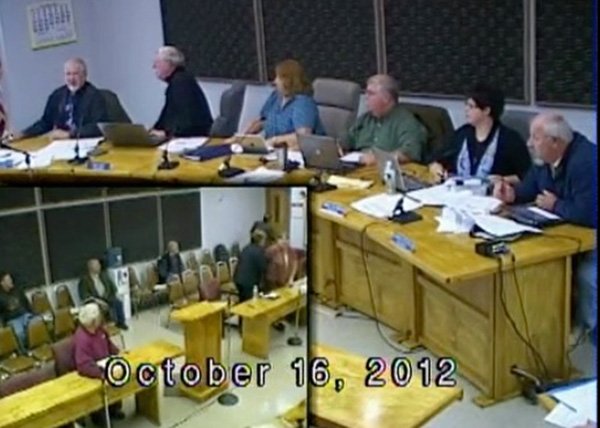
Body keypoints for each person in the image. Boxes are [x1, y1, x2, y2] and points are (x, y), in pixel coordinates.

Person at [493, 113, 597, 342]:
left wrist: (556, 205)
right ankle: (545, 326)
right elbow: (530, 187)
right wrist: (512, 195)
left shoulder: (586, 161)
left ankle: (589, 333)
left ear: (555, 142)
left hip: (590, 236)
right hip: (565, 233)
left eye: (535, 138)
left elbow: (590, 214)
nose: (529, 143)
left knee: (587, 275)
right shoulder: (545, 161)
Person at [429, 83, 531, 184]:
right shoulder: (462, 134)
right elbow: (436, 158)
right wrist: (436, 167)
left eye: (471, 106)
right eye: (466, 105)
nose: (466, 110)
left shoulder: (510, 139)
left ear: (486, 110)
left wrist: (503, 180)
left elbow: (527, 175)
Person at [239, 59, 325, 150]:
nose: (275, 82)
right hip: (273, 152)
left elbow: (303, 137)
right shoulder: (276, 96)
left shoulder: (303, 103)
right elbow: (260, 121)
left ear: (288, 80)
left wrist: (275, 140)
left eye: (278, 78)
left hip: (297, 155)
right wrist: (240, 137)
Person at [13, 58, 107, 140]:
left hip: (85, 142)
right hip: (61, 144)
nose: (71, 78)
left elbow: (99, 127)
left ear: (84, 75)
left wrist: (69, 134)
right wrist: (23, 134)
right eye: (68, 74)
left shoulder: (94, 96)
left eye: (75, 74)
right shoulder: (57, 95)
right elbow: (45, 123)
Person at [346, 74, 427, 166]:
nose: (366, 97)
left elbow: (409, 154)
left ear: (386, 98)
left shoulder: (406, 122)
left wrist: (379, 159)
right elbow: (347, 142)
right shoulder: (365, 119)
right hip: (356, 168)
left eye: (371, 93)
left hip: (384, 171)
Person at [74, 302, 125, 427]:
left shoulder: (100, 330)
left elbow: (109, 345)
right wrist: (101, 373)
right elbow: (83, 365)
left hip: (106, 365)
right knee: (99, 390)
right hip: (92, 373)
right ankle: (100, 419)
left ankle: (113, 409)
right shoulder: (82, 338)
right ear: (93, 321)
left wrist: (119, 352)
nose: (101, 319)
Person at [151, 46, 213, 138]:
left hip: (193, 139)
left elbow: (186, 121)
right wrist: (154, 129)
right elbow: (168, 116)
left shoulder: (181, 83)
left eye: (157, 62)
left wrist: (166, 133)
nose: (154, 66)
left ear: (169, 63)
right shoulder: (180, 80)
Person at [78, 259, 128, 330]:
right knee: (96, 308)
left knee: (118, 302)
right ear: (90, 267)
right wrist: (97, 301)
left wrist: (114, 294)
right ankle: (99, 327)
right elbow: (85, 295)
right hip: (96, 301)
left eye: (99, 265)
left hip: (107, 297)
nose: (99, 266)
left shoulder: (104, 275)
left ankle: (121, 323)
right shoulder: (84, 280)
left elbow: (113, 287)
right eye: (97, 265)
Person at [0, 272, 38, 351]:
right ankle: (23, 352)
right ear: (2, 283)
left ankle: (36, 347)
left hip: (24, 315)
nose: (11, 281)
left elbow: (26, 304)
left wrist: (33, 313)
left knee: (37, 323)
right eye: (8, 280)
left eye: (10, 279)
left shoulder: (18, 291)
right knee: (19, 334)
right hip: (12, 320)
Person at [234, 229, 268, 302]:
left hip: (238, 279)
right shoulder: (259, 251)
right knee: (250, 303)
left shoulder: (246, 248)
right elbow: (263, 268)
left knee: (242, 301)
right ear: (261, 240)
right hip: (249, 282)